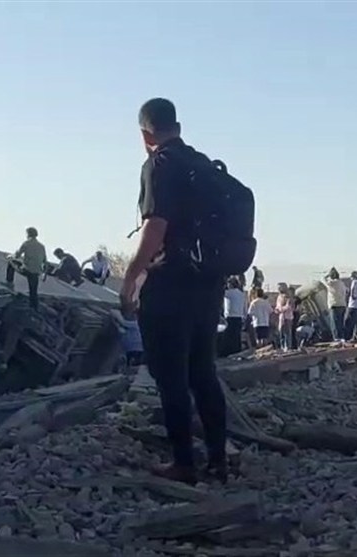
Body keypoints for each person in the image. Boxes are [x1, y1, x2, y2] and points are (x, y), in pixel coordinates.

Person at [120, 98, 229, 485]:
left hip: (170, 285)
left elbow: (156, 227)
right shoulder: (202, 164)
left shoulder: (159, 164)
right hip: (208, 284)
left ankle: (183, 463)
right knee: (203, 373)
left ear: (145, 135)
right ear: (178, 127)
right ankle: (218, 460)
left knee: (170, 376)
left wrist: (130, 277)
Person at [2, 227, 46, 310]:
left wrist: (10, 256)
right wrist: (44, 273)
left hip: (27, 269)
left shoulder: (26, 243)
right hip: (36, 272)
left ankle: (9, 282)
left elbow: (17, 255)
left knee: (11, 262)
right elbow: (44, 261)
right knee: (33, 291)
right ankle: (34, 308)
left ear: (28, 234)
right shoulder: (42, 246)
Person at [222, 277, 247, 356]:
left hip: (230, 316)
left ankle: (227, 351)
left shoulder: (229, 293)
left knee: (228, 336)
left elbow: (221, 293)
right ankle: (237, 351)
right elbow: (245, 306)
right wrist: (244, 316)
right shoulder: (241, 294)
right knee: (237, 336)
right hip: (239, 316)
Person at [324, 267, 347, 340]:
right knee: (340, 322)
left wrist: (327, 275)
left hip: (334, 305)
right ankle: (341, 337)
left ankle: (336, 338)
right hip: (342, 304)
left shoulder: (332, 283)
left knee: (334, 323)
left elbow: (324, 280)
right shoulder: (342, 283)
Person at [275, 285, 295, 351]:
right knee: (281, 333)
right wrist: (278, 309)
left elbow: (289, 307)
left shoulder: (288, 298)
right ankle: (282, 347)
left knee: (287, 333)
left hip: (288, 317)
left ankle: (288, 347)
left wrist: (281, 309)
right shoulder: (279, 297)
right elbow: (278, 307)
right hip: (281, 317)